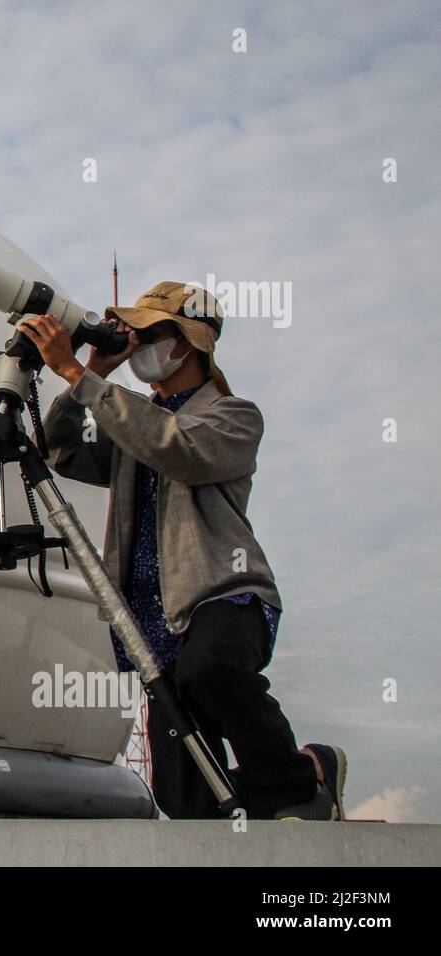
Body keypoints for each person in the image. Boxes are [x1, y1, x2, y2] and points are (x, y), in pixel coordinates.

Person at [17, 281, 347, 821]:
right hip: (153, 614)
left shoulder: (235, 416)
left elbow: (180, 448)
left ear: (188, 341)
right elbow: (63, 450)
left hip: (223, 592)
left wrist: (83, 376)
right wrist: (92, 367)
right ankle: (252, 801)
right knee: (184, 796)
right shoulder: (132, 421)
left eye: (148, 333)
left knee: (209, 671)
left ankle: (304, 779)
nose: (138, 344)